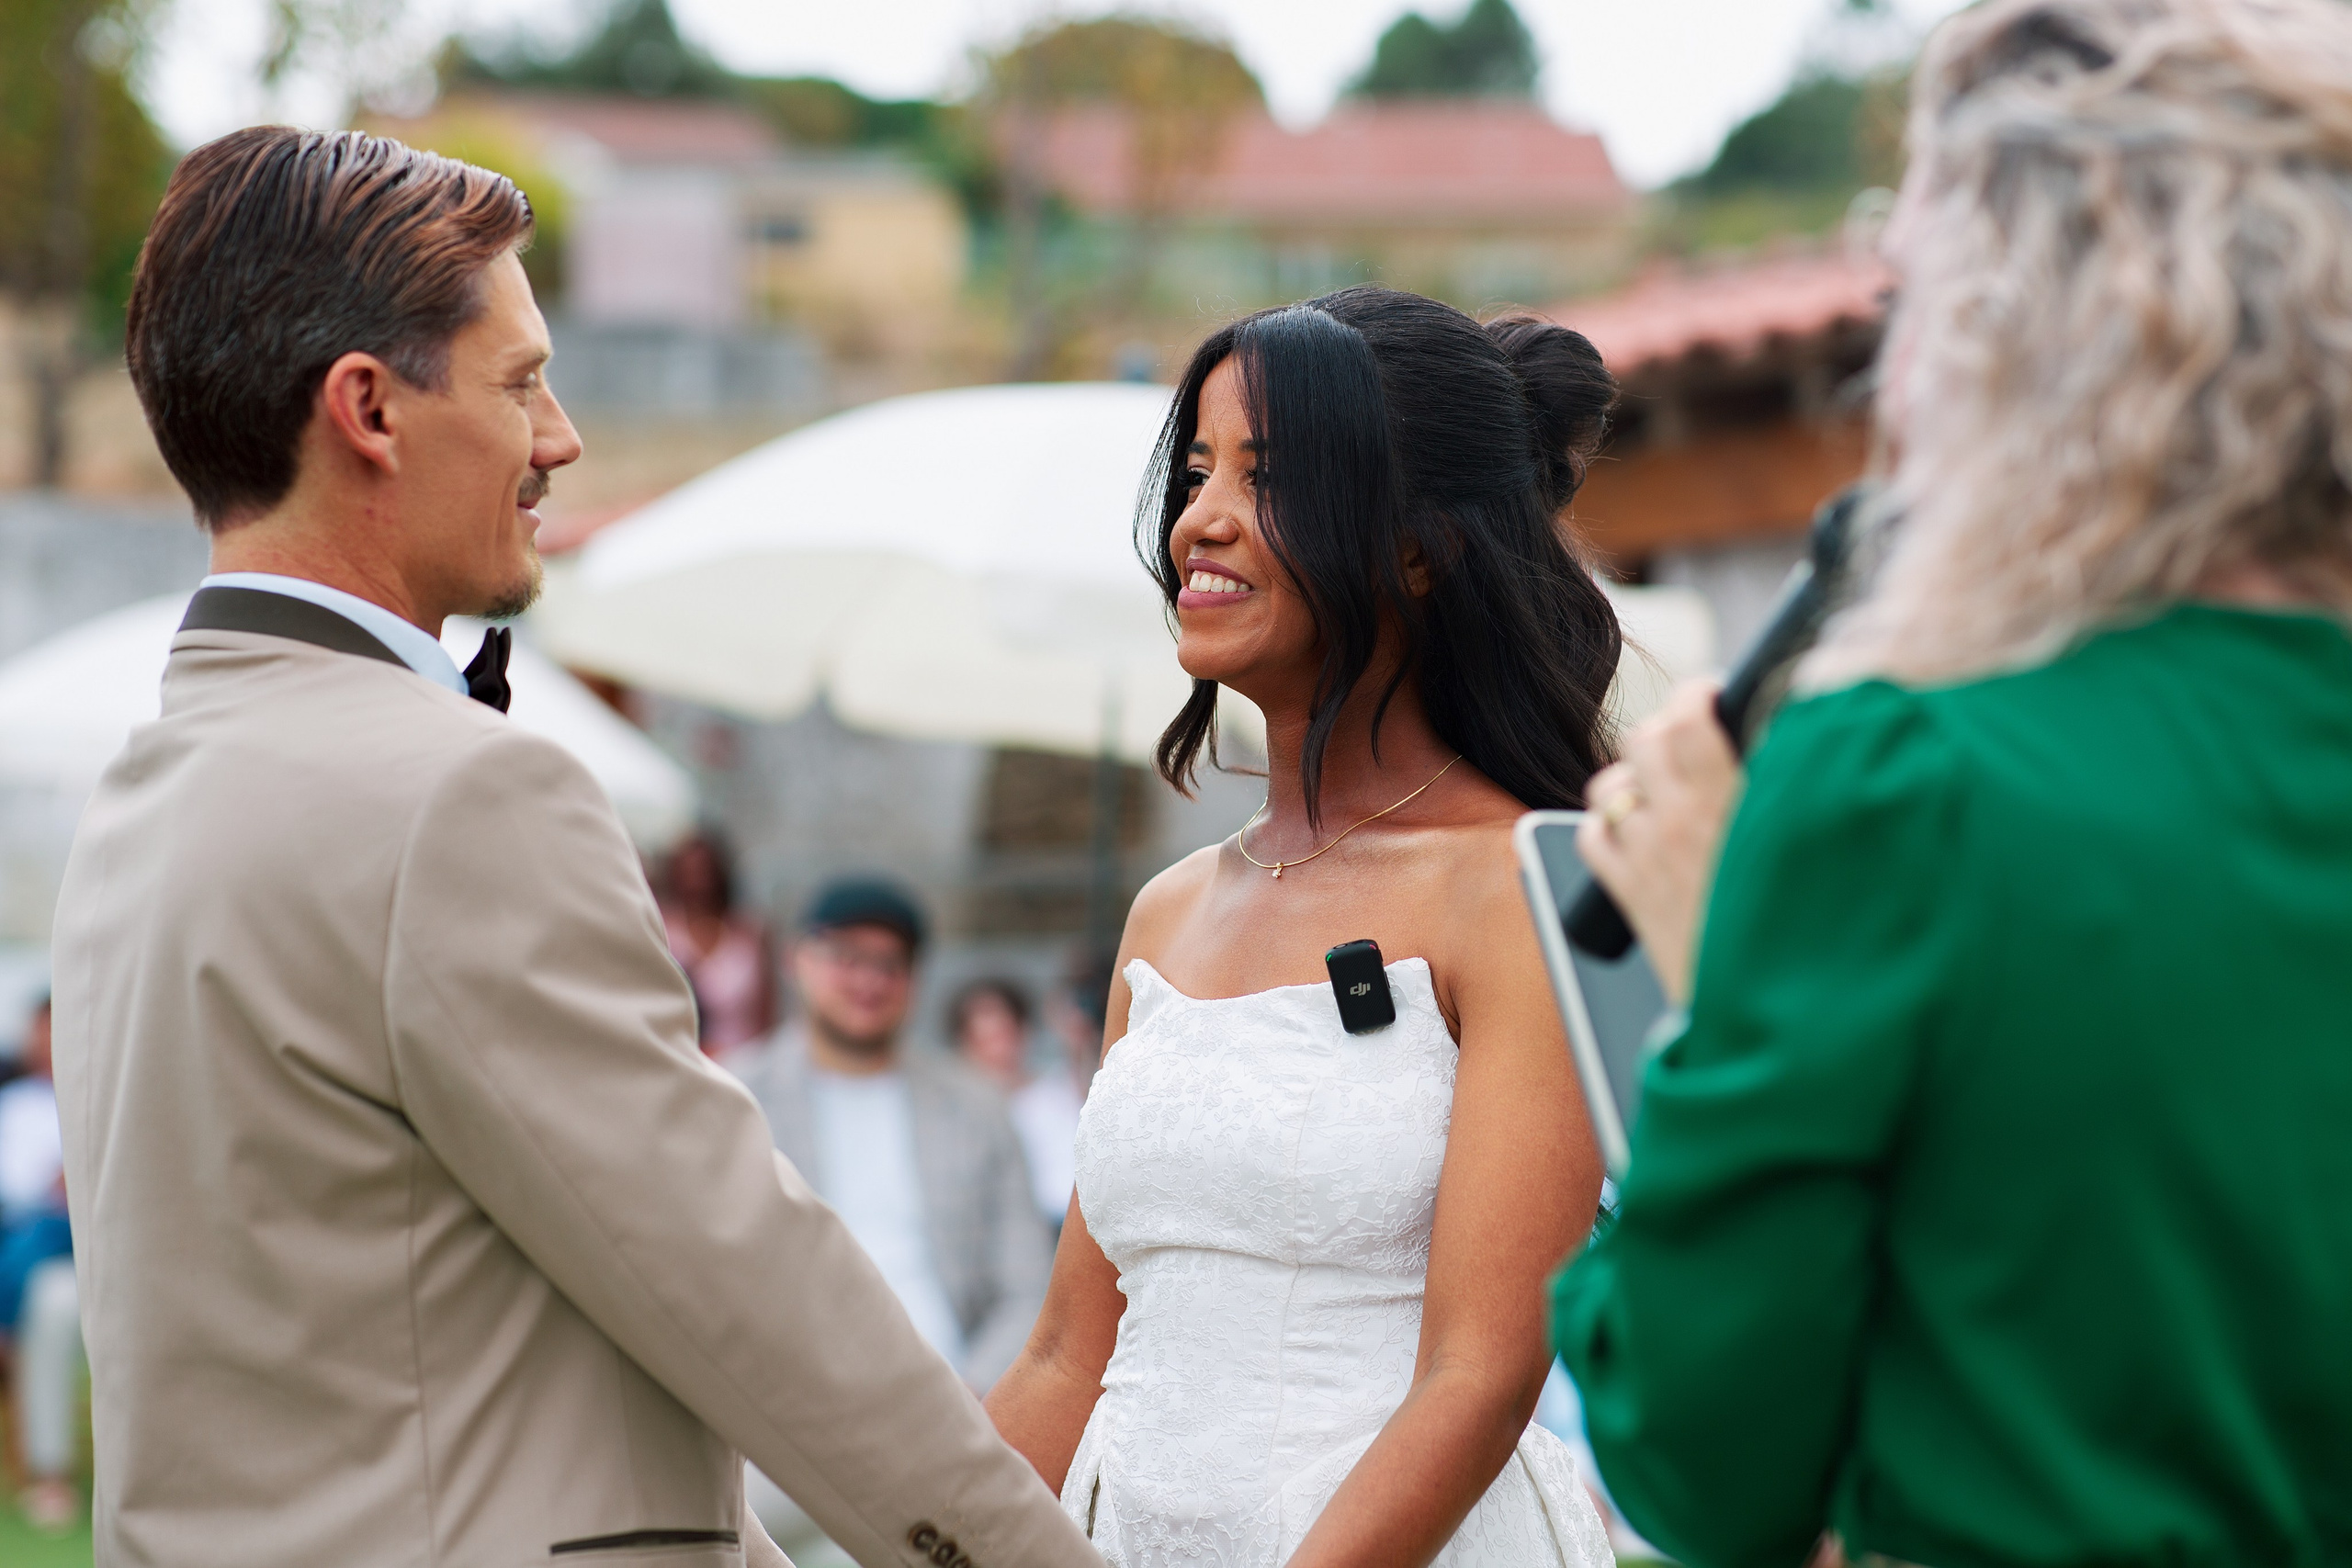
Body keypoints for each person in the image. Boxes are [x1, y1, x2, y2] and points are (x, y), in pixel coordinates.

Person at [49, 127, 1100, 1568]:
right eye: (523, 379)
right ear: (368, 408)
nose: (563, 438)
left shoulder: (137, 800)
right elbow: (733, 1270)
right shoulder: (457, 799)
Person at [1555, 5, 2352, 1566]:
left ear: (2004, 341)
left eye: (1909, 302)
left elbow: (1704, 1459)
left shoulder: (1902, 781)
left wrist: (1723, 977)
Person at [986, 285, 1623, 1567]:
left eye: (1265, 477)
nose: (1200, 518)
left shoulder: (1517, 885)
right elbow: (1068, 1351)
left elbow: (1480, 1372)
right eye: (1199, 467)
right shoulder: (1169, 912)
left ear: (1419, 548)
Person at [732, 881, 1053, 1392]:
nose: (868, 980)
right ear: (797, 961)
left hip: (955, 1392)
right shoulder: (737, 1101)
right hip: (785, 1400)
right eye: (847, 957)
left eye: (890, 964)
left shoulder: (977, 1108)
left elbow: (1027, 1286)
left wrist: (973, 1401)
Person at [0, 995, 79, 1532]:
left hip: (106, 1240)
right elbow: (18, 1190)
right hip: (42, 1240)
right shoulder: (18, 1105)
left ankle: (2, 1327)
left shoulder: (103, 1093)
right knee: (50, 1304)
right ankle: (52, 1474)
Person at [950, 977, 1082, 1231]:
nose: (995, 1053)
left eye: (1003, 1036)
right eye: (982, 1040)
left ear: (1024, 1032)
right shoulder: (956, 1117)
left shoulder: (1064, 1091)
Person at [660, 829, 777, 1056]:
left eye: (704, 871)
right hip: (679, 1060)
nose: (697, 881)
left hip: (742, 1062)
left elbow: (766, 1018)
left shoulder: (751, 933)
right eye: (689, 872)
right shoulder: (662, 929)